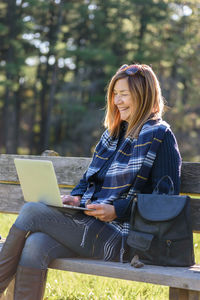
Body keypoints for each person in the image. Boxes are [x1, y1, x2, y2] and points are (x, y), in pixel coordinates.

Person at [0, 64, 181, 299]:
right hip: (92, 226)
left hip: (128, 239)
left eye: (124, 94)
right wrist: (76, 197)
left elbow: (165, 202)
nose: (117, 101)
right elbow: (89, 180)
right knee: (36, 244)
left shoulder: (160, 136)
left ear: (143, 95)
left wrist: (117, 209)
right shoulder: (113, 136)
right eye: (115, 94)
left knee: (33, 211)